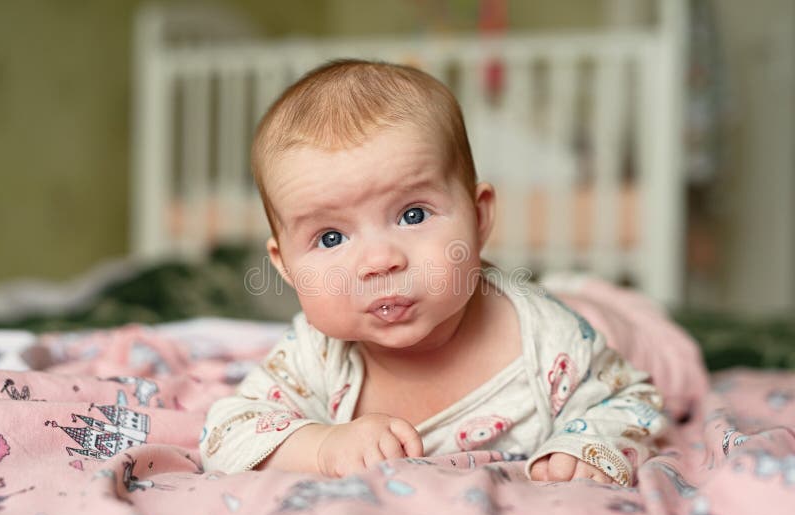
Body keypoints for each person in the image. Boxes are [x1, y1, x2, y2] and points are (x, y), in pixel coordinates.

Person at [200, 59, 667, 486]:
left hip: (603, 322)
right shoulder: (315, 353)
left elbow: (631, 399)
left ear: (479, 217)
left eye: (413, 215)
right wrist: (321, 447)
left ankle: (591, 295)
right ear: (285, 266)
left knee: (658, 351)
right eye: (330, 238)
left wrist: (588, 447)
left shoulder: (547, 340)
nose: (379, 261)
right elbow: (226, 433)